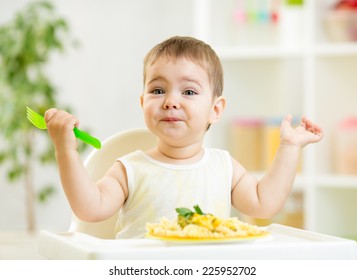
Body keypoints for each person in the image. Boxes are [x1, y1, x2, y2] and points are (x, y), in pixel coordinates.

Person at [45, 36, 323, 238]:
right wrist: (65, 151)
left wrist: (288, 147)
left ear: (215, 110)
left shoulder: (223, 166)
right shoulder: (129, 169)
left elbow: (265, 204)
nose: (170, 101)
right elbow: (89, 209)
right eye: (157, 90)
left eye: (188, 92)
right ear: (143, 103)